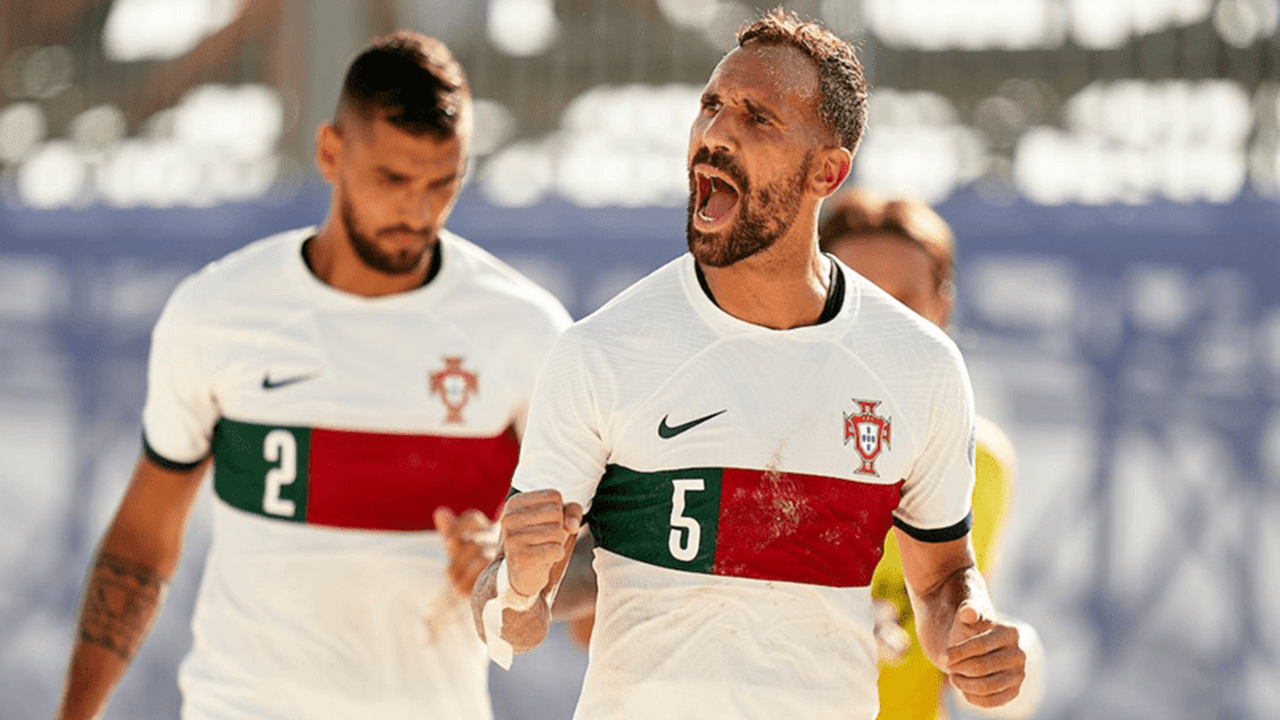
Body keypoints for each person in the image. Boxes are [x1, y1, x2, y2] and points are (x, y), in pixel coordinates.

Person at [471, 9, 1030, 720]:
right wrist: (518, 581)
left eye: (757, 116)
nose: (716, 132)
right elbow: (511, 622)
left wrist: (972, 634)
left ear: (827, 170)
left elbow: (945, 580)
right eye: (710, 105)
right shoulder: (600, 351)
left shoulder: (922, 368)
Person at [55, 31, 571, 720]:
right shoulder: (217, 312)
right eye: (392, 180)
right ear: (331, 152)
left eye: (442, 183)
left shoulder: (527, 331)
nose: (418, 214)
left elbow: (594, 559)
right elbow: (143, 542)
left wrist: (508, 576)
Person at [819, 188, 1045, 720]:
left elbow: (960, 640)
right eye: (857, 297)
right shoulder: (749, 439)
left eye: (901, 303)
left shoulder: (982, 464)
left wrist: (1003, 663)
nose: (878, 323)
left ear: (941, 303)